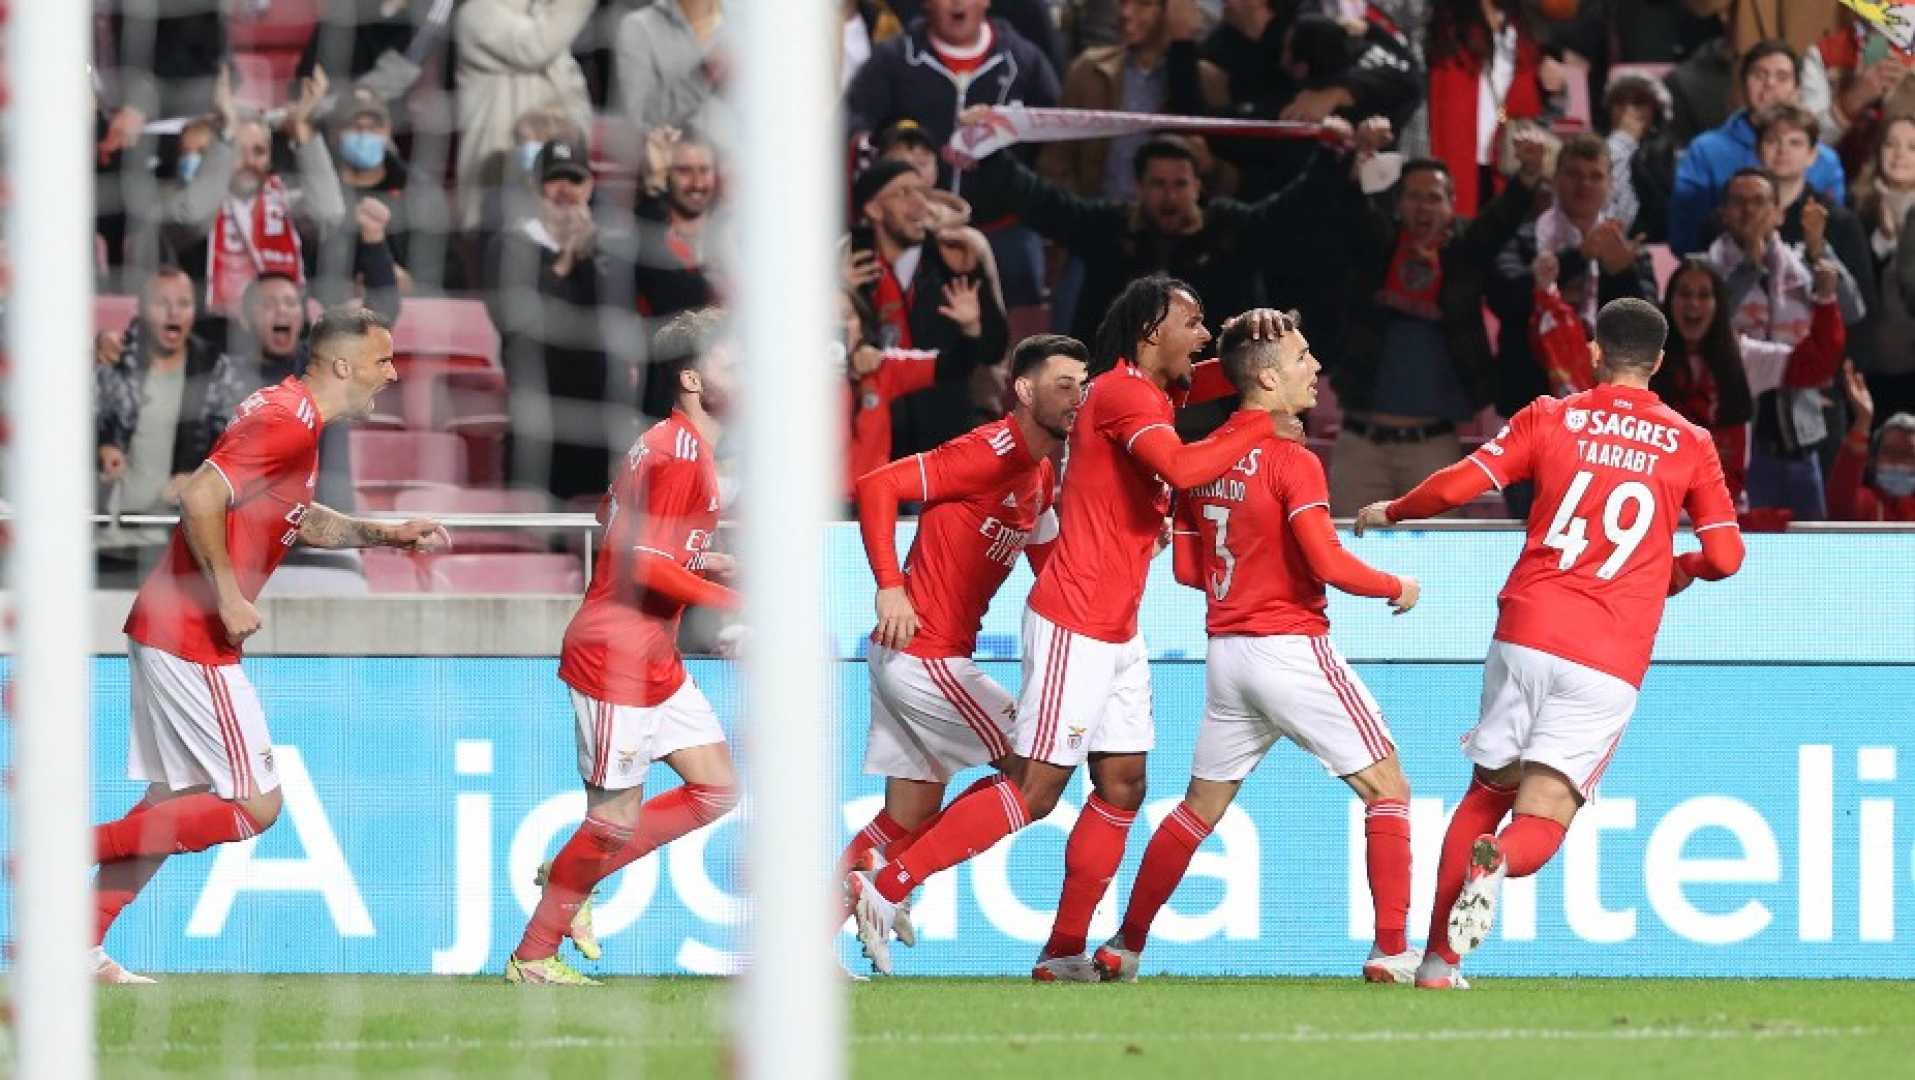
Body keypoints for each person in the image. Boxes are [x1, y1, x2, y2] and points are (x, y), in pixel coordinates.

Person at [847, 280, 1298, 980]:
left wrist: (1253, 340)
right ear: (1151, 330)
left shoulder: (1147, 397)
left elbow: (1221, 380)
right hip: (1073, 624)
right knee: (1032, 786)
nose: (1203, 337)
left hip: (1115, 628)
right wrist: (1257, 419)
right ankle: (887, 884)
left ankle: (1061, 952)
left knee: (1121, 784)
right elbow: (1181, 465)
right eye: (1194, 322)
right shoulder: (1120, 395)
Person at [1353, 297, 1745, 990]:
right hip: (1607, 653)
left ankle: (1437, 964)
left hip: (1526, 629)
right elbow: (1724, 554)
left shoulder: (1550, 415)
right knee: (1542, 813)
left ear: (1593, 353)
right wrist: (1673, 571)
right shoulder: (1689, 441)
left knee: (1483, 793)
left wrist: (1394, 509)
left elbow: (1461, 483)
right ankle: (1496, 864)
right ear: (1658, 363)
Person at [89, 307, 449, 984]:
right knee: (256, 806)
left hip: (174, 628)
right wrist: (227, 595)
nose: (392, 373)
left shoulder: (293, 419)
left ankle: (76, 948)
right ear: (343, 366)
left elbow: (295, 515)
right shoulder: (286, 420)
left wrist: (386, 535)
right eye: (383, 360)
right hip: (190, 632)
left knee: (173, 805)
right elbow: (200, 495)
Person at [1091, 317, 1425, 986]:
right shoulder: (1292, 461)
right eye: (1302, 356)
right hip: (1289, 647)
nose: (1315, 365)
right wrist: (1397, 584)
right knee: (1387, 788)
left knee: (1196, 810)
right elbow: (1326, 561)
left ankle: (1124, 946)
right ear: (1267, 377)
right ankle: (1391, 951)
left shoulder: (1201, 456)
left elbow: (1188, 570)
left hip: (1228, 658)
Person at [503, 309, 740, 985]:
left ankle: (577, 868)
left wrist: (702, 565)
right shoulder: (680, 453)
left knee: (716, 790)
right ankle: (532, 956)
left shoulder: (669, 444)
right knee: (610, 821)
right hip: (615, 658)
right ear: (692, 378)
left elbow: (616, 522)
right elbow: (642, 563)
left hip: (653, 655)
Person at [839, 335, 1088, 953]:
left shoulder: (1040, 474)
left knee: (906, 818)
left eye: (1083, 385)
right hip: (925, 654)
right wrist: (890, 585)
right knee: (1037, 773)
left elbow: (1052, 568)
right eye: (1063, 384)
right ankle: (892, 884)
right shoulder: (989, 450)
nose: (1077, 397)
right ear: (1024, 391)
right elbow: (876, 485)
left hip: (913, 657)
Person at [965, 119, 1383, 346]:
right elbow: (1041, 201)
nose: (1169, 196)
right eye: (1158, 185)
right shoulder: (1109, 229)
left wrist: (1330, 156)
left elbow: (1294, 209)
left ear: (1199, 187)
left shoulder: (1229, 229)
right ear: (1138, 188)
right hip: (1121, 404)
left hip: (1212, 405)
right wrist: (987, 148)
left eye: (1180, 185)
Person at [1328, 130, 1549, 515]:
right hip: (1360, 446)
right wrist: (1358, 157)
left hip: (1432, 449)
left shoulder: (1464, 251)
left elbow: (1499, 220)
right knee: (1345, 556)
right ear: (1398, 205)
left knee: (1436, 565)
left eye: (1434, 197)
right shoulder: (1376, 246)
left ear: (1452, 206)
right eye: (1414, 196)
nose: (1424, 207)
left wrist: (1529, 172)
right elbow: (1349, 211)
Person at [486, 139, 639, 502]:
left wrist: (588, 253)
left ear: (589, 187)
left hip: (595, 429)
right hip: (535, 431)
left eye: (575, 179)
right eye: (555, 179)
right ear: (536, 187)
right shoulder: (509, 245)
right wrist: (569, 256)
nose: (565, 190)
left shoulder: (609, 250)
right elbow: (517, 320)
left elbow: (616, 319)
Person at [1704, 168, 1848, 519]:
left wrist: (1820, 252)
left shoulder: (1803, 263)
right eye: (1739, 202)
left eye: (1759, 202)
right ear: (1724, 212)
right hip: (1736, 438)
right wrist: (1750, 267)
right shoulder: (1704, 270)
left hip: (1801, 436)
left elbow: (1855, 310)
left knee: (1814, 552)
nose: (1749, 211)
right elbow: (1709, 327)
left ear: (1778, 212)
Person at [95, 267, 253, 586]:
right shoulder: (113, 365)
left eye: (183, 303)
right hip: (105, 543)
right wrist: (102, 447)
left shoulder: (214, 374)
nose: (174, 313)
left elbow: (238, 447)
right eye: (162, 303)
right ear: (140, 310)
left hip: (173, 544)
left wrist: (198, 477)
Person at [1669, 40, 1848, 256]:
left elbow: (1836, 232)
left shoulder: (1825, 160)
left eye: (1782, 77)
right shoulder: (1705, 150)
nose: (1770, 84)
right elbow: (1685, 237)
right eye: (1760, 75)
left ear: (1797, 89)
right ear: (1743, 85)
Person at [1041, 0, 1230, 200]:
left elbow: (1227, 179)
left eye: (1143, 4)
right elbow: (1056, 160)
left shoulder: (1209, 81)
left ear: (1172, 12)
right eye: (1123, 3)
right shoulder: (1088, 71)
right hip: (1097, 218)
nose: (1126, 13)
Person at [453, 0, 594, 232]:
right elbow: (534, 48)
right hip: (494, 191)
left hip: (549, 190)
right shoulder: (475, 13)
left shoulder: (547, 23)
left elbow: (576, 103)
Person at [1424, 0, 1563, 218]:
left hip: (1506, 156)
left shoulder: (1523, 23)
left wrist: (1549, 64)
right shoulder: (1445, 20)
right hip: (1457, 152)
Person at [1649, 257, 1756, 502]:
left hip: (1723, 514)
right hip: (1656, 512)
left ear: (1718, 305)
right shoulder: (1644, 364)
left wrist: (1825, 299)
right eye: (1685, 294)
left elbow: (1810, 363)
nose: (1693, 303)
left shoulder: (1745, 355)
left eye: (1704, 295)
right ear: (1669, 301)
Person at [1851, 114, 1915, 424]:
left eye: (1912, 147)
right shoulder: (1858, 209)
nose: (1900, 154)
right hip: (1872, 364)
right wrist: (1883, 241)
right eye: (1891, 145)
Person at [1829, 364, 1915, 521]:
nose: (1897, 461)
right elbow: (1840, 500)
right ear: (1873, 460)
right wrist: (1863, 420)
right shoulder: (1865, 503)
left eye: (1908, 454)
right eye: (1889, 452)